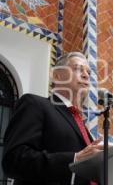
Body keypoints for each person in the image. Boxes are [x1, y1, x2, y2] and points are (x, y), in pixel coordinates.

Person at [2, 52, 102, 185]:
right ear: (56, 76)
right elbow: (14, 160)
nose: (86, 75)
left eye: (89, 72)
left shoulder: (81, 125)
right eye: (78, 69)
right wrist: (74, 159)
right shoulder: (34, 104)